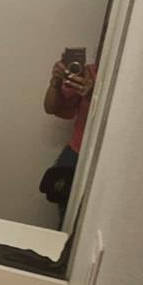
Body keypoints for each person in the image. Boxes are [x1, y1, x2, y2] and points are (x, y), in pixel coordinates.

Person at [43, 57, 97, 223]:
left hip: (105, 162)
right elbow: (51, 107)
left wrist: (95, 95)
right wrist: (55, 82)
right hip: (75, 155)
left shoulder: (127, 81)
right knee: (67, 219)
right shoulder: (87, 72)